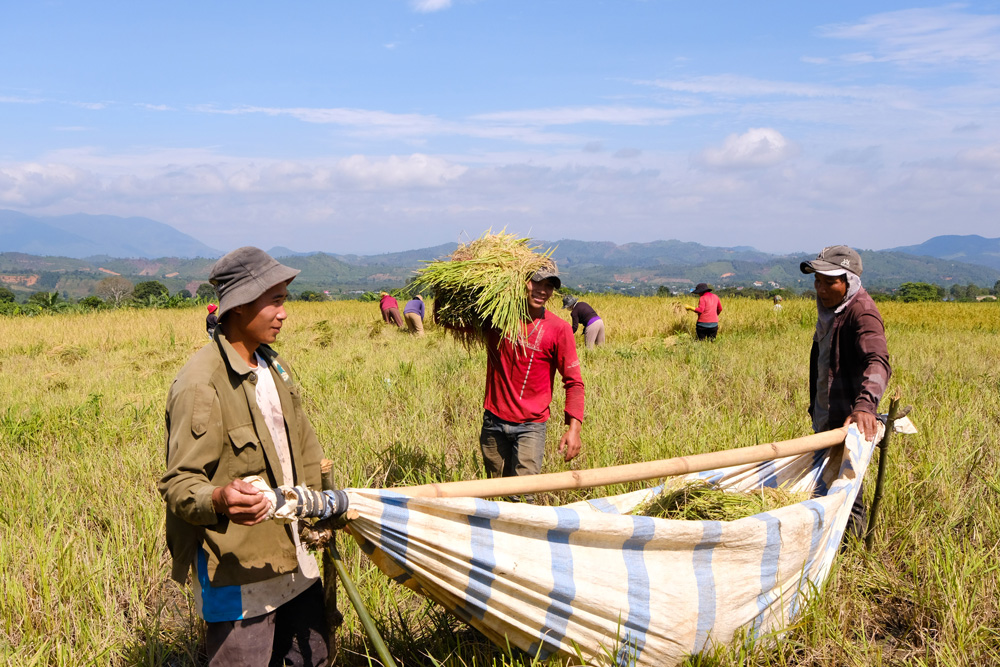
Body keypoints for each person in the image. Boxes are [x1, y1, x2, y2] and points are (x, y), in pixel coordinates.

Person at [159, 247, 342, 666]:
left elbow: (304, 446)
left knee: (311, 655)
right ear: (240, 307)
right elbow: (180, 484)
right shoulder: (200, 384)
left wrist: (327, 507)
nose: (283, 313)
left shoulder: (273, 367)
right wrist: (220, 498)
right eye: (274, 301)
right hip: (240, 570)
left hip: (296, 554)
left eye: (284, 301)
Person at [471, 264, 585, 499]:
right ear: (519, 283)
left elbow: (574, 382)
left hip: (531, 426)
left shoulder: (559, 329)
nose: (542, 290)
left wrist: (574, 429)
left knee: (523, 497)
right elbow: (453, 319)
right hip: (493, 420)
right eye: (536, 283)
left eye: (549, 286)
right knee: (495, 493)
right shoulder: (496, 320)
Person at [800, 245, 891, 540]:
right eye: (817, 281)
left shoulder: (861, 313)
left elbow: (877, 362)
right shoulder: (832, 311)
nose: (821, 289)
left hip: (847, 419)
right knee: (827, 482)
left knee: (848, 489)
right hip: (827, 414)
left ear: (849, 281)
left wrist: (864, 406)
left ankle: (849, 554)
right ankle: (826, 543)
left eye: (830, 282)